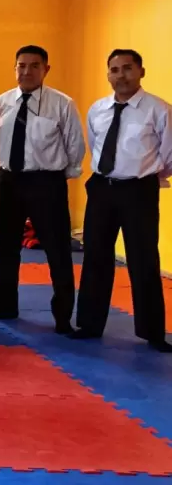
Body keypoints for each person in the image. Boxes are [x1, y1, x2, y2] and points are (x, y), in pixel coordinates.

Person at [73, 49, 172, 352]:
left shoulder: (159, 110)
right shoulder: (98, 109)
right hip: (102, 188)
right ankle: (89, 324)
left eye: (128, 68)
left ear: (141, 71)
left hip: (138, 190)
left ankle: (153, 332)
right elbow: (96, 145)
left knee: (143, 259)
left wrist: (145, 176)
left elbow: (168, 155)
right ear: (108, 75)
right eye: (114, 70)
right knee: (95, 256)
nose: (121, 76)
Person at [0, 46, 85, 334]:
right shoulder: (2, 102)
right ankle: (5, 304)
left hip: (47, 181)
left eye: (34, 66)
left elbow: (75, 146)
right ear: (15, 68)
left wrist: (56, 175)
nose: (26, 71)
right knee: (5, 247)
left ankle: (62, 315)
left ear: (46, 69)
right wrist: (10, 168)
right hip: (9, 180)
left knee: (57, 249)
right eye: (21, 65)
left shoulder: (62, 104)